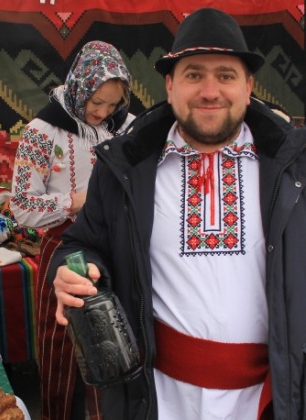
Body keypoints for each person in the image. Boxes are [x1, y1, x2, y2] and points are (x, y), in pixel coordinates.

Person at [48, 7, 306, 420]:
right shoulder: (125, 167)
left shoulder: (295, 168)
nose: (210, 91)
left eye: (226, 75)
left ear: (248, 86)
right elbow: (80, 245)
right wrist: (71, 271)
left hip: (268, 398)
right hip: (158, 399)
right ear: (170, 85)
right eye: (193, 75)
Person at [9, 40, 135, 419]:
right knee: (63, 347)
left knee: (115, 345)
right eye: (97, 102)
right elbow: (22, 207)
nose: (103, 112)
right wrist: (77, 200)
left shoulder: (128, 128)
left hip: (116, 248)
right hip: (65, 250)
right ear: (79, 86)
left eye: (113, 104)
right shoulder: (42, 132)